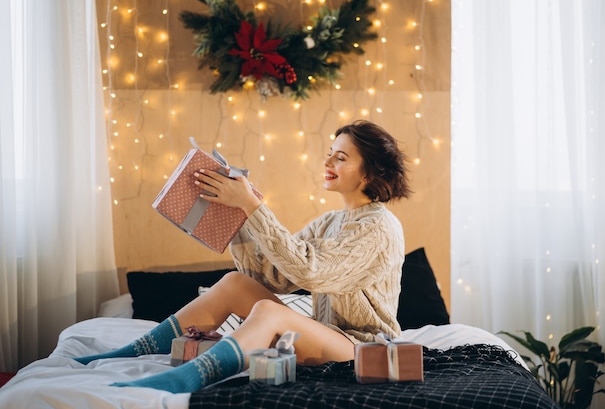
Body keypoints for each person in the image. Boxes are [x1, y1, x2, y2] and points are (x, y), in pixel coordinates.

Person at [74, 119, 412, 393]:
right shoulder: (330, 221)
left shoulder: (379, 227)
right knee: (235, 283)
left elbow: (311, 272)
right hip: (326, 336)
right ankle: (137, 350)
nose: (327, 162)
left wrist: (253, 206)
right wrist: (236, 217)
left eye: (341, 157)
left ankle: (186, 379)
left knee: (267, 311)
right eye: (330, 152)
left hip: (363, 349)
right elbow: (273, 278)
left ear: (368, 173)